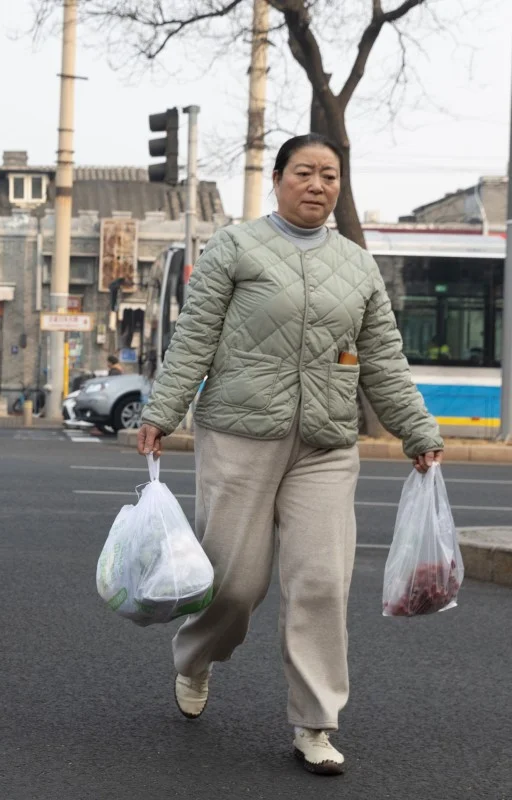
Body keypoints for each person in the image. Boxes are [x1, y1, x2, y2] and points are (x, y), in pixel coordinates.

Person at [135, 133, 444, 777]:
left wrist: (417, 430)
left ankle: (315, 723)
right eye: (304, 172)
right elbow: (195, 336)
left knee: (322, 582)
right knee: (234, 584)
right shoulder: (235, 247)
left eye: (329, 176)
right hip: (241, 434)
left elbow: (384, 358)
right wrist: (162, 411)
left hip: (326, 443)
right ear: (277, 179)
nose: (318, 185)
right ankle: (194, 657)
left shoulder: (357, 266)